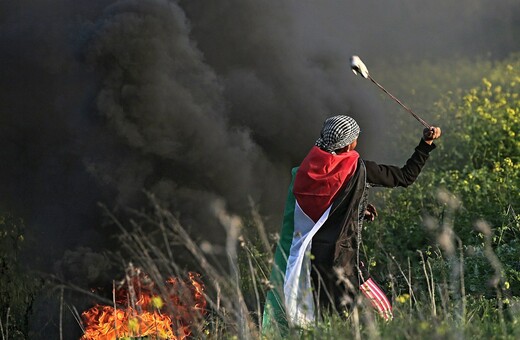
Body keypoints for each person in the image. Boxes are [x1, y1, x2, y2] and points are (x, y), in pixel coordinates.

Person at [263, 115, 441, 331]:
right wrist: (426, 143)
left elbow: (324, 210)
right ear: (349, 144)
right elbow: (405, 176)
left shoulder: (305, 171)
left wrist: (358, 208)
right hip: (343, 258)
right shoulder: (358, 168)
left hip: (311, 261)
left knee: (326, 323)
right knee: (383, 312)